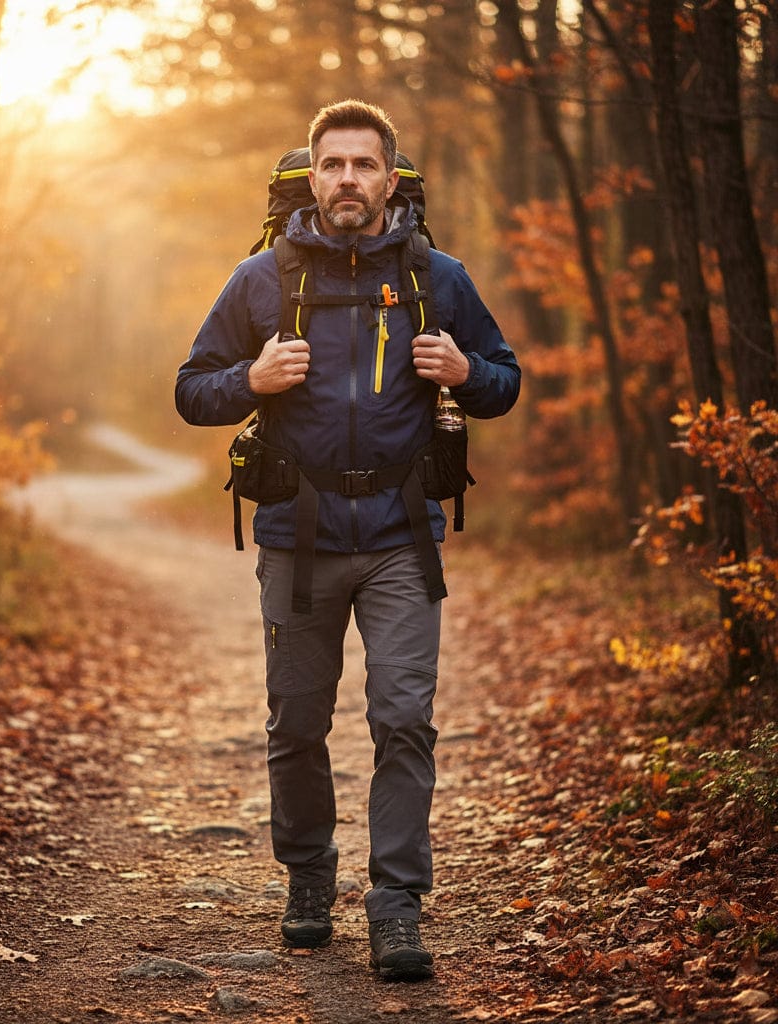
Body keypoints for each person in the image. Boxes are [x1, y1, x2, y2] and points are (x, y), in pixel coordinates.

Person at [175, 100, 521, 981]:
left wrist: (466, 371)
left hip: (404, 538)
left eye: (365, 165)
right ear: (313, 175)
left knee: (404, 721)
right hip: (298, 538)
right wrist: (251, 378)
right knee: (297, 724)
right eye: (333, 164)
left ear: (390, 178)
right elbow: (191, 389)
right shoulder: (262, 279)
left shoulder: (437, 277)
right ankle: (308, 875)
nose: (348, 180)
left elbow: (505, 381)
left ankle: (396, 905)